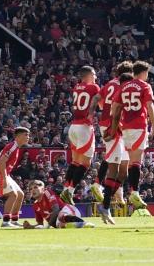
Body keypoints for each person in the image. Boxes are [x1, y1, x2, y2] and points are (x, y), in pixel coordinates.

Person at [111, 61, 154, 210]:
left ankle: (131, 192)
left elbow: (114, 107)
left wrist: (117, 124)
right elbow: (150, 105)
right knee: (136, 161)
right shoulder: (144, 86)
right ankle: (134, 192)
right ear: (143, 73)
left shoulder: (123, 86)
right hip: (139, 126)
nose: (147, 76)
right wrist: (153, 124)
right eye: (147, 73)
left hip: (126, 128)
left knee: (131, 162)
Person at [96, 69, 134, 224]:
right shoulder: (121, 91)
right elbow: (116, 113)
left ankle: (106, 199)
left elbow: (100, 102)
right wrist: (112, 132)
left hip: (118, 129)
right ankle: (104, 204)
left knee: (124, 170)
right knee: (114, 167)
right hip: (114, 130)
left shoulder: (112, 85)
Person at [60, 66, 100, 205]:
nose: (96, 77)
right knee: (86, 163)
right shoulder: (93, 87)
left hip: (73, 127)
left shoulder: (77, 87)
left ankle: (65, 189)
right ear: (89, 75)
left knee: (75, 162)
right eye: (94, 74)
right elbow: (101, 104)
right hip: (84, 127)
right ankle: (70, 191)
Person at [0, 127, 30, 228]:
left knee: (20, 194)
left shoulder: (16, 147)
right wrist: (4, 178)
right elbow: (2, 162)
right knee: (13, 195)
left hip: (4, 174)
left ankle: (14, 221)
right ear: (18, 136)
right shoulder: (12, 146)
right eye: (26, 135)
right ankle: (6, 222)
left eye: (28, 135)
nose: (28, 137)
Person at [26, 180, 95, 229]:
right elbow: (40, 224)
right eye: (30, 189)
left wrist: (48, 226)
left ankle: (83, 223)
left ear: (43, 189)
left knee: (60, 216)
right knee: (61, 225)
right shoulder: (35, 205)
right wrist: (31, 226)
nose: (33, 190)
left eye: (35, 187)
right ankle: (81, 225)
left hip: (68, 210)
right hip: (58, 222)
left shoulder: (47, 193)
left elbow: (56, 210)